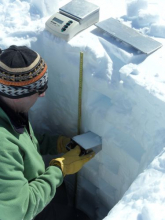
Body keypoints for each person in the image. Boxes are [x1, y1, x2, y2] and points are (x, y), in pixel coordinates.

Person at [0, 45, 95, 220]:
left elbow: (21, 145)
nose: (43, 95)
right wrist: (60, 169)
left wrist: (56, 143)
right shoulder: (2, 147)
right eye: (39, 90)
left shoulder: (9, 109)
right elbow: (18, 211)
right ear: (20, 93)